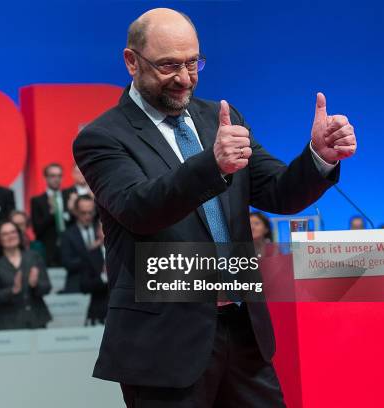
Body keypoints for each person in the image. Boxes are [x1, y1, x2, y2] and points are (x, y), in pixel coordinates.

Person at [72, 8, 356, 407]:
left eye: (193, 63)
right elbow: (139, 208)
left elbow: (278, 192)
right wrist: (213, 165)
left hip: (244, 331)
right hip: (165, 344)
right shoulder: (103, 136)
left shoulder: (219, 118)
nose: (185, 78)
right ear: (131, 61)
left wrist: (318, 157)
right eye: (169, 65)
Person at [0, 220, 52, 330]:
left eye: (13, 232)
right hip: (7, 323)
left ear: (19, 235)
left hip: (36, 319)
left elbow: (47, 287)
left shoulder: (34, 257)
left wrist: (35, 285)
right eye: (5, 234)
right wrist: (12, 291)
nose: (10, 236)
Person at [30, 163, 74, 266]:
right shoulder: (37, 201)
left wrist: (74, 210)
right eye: (53, 176)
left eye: (59, 176)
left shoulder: (70, 197)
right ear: (45, 178)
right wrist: (51, 213)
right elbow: (37, 230)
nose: (56, 179)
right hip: (49, 248)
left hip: (71, 247)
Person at [60, 195, 104, 293]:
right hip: (77, 286)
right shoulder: (67, 235)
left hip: (101, 287)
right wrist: (90, 252)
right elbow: (68, 263)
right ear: (76, 212)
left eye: (90, 213)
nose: (88, 216)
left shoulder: (101, 231)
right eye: (83, 213)